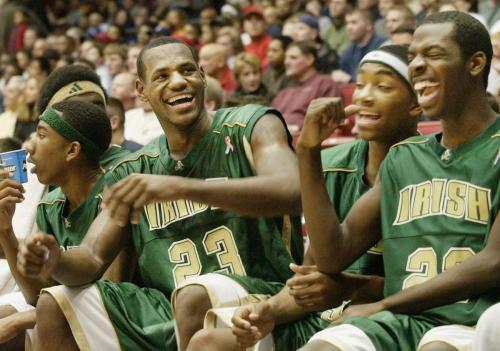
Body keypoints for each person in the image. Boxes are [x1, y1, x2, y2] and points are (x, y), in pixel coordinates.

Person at [18, 36, 303, 351]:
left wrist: (181, 188)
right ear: (142, 91)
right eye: (162, 76)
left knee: (195, 295)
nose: (179, 82)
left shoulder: (252, 124)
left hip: (263, 298)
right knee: (55, 303)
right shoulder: (135, 168)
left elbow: (293, 189)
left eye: (187, 71)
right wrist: (56, 257)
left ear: (203, 76)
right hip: (167, 308)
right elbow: (92, 257)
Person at [277, 11, 497, 351]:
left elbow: (494, 262)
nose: (418, 66)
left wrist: (381, 304)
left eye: (433, 54)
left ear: (476, 63)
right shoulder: (403, 157)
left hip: (474, 320)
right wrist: (308, 150)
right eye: (413, 58)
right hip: (403, 320)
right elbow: (332, 255)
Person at [187, 44, 422, 351]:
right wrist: (268, 311)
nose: (363, 96)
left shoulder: (426, 167)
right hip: (330, 314)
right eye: (361, 85)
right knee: (207, 342)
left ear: (417, 103)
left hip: (390, 314)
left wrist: (351, 287)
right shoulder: (331, 163)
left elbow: (432, 284)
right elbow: (312, 276)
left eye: (383, 86)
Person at [0, 100, 132, 350]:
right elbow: (36, 295)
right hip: (64, 314)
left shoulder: (114, 197)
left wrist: (18, 321)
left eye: (41, 135)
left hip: (123, 321)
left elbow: (108, 300)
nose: (29, 148)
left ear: (72, 151)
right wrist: (5, 229)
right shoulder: (50, 205)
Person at [271, 41, 340, 132]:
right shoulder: (284, 91)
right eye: (285, 58)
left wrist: (297, 128)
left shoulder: (325, 83)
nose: (286, 62)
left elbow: (328, 121)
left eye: (293, 58)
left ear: (310, 59)